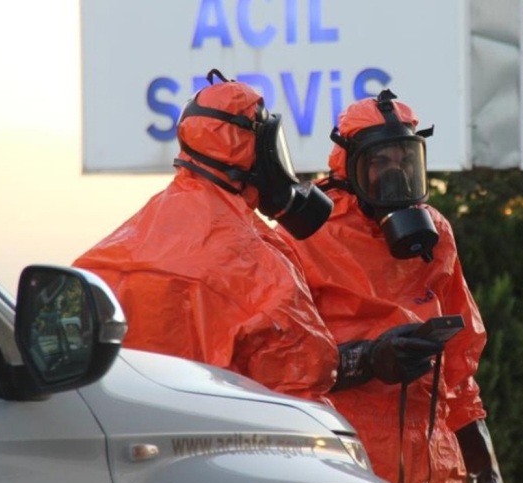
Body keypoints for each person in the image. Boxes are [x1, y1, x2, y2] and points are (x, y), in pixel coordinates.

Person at [278, 89, 506, 483]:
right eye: (380, 162)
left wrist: (485, 469)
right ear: (349, 165)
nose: (395, 175)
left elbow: (459, 368)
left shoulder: (435, 236)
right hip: (343, 458)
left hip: (434, 463)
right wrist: (365, 360)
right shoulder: (305, 235)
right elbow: (279, 366)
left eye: (406, 161)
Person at [73, 70, 340, 402]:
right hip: (221, 440)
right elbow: (301, 381)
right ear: (255, 150)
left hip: (127, 434)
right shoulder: (260, 263)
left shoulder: (112, 252)